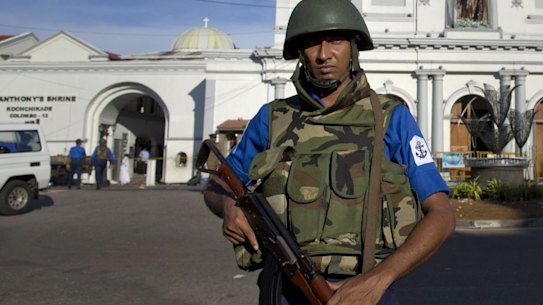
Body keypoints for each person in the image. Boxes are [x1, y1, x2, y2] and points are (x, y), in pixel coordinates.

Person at [203, 1, 456, 305]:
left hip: (367, 294)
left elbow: (442, 215)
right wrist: (229, 207)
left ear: (353, 48)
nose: (324, 54)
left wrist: (380, 278)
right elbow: (218, 185)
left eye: (335, 40)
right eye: (311, 43)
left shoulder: (390, 117)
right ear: (300, 52)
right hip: (285, 290)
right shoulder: (272, 119)